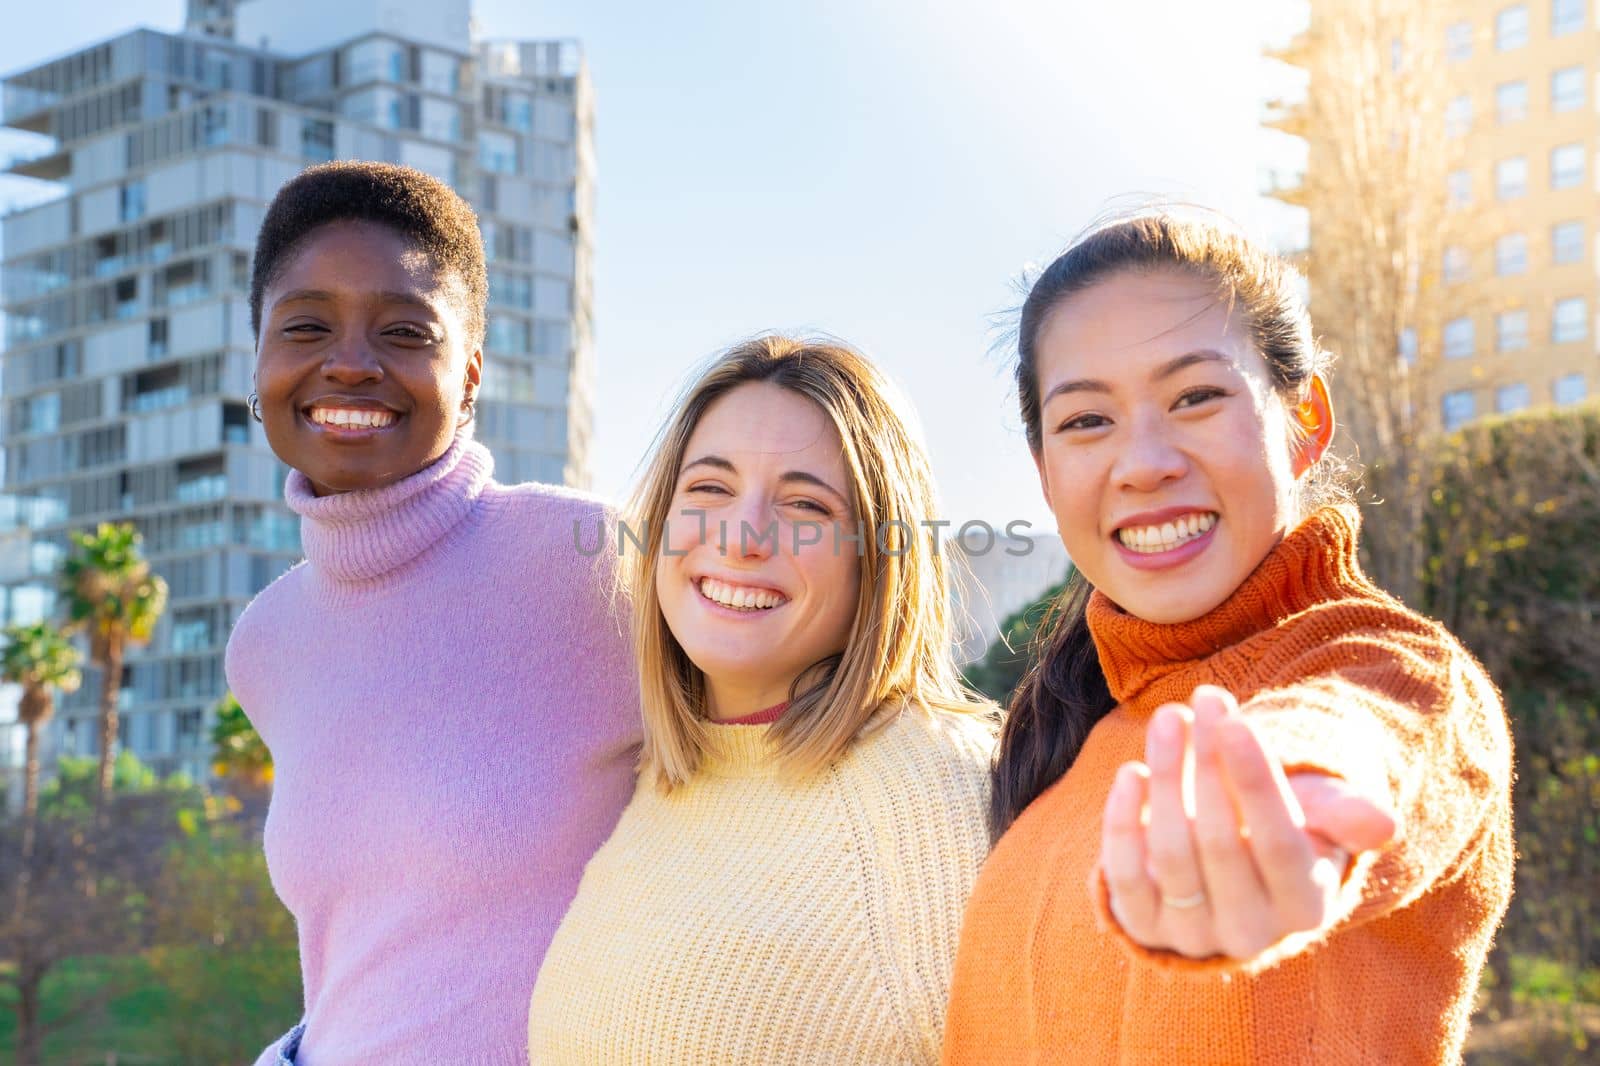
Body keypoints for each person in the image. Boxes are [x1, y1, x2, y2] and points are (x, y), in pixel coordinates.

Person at [942, 214, 1513, 1065]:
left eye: (1196, 397)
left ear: (1305, 418)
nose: (1143, 462)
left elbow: (1356, 732)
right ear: (1045, 474)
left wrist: (1290, 799)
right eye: (1086, 421)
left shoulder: (1401, 673)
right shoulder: (1061, 741)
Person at [224, 161, 640, 1065]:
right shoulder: (266, 642)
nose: (349, 362)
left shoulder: (599, 564)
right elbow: (370, 952)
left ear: (470, 372)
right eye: (305, 325)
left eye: (405, 332)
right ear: (257, 362)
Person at [527, 336, 997, 1064]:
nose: (742, 536)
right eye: (709, 489)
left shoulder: (942, 801)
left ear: (878, 558)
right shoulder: (659, 777)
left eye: (806, 504)